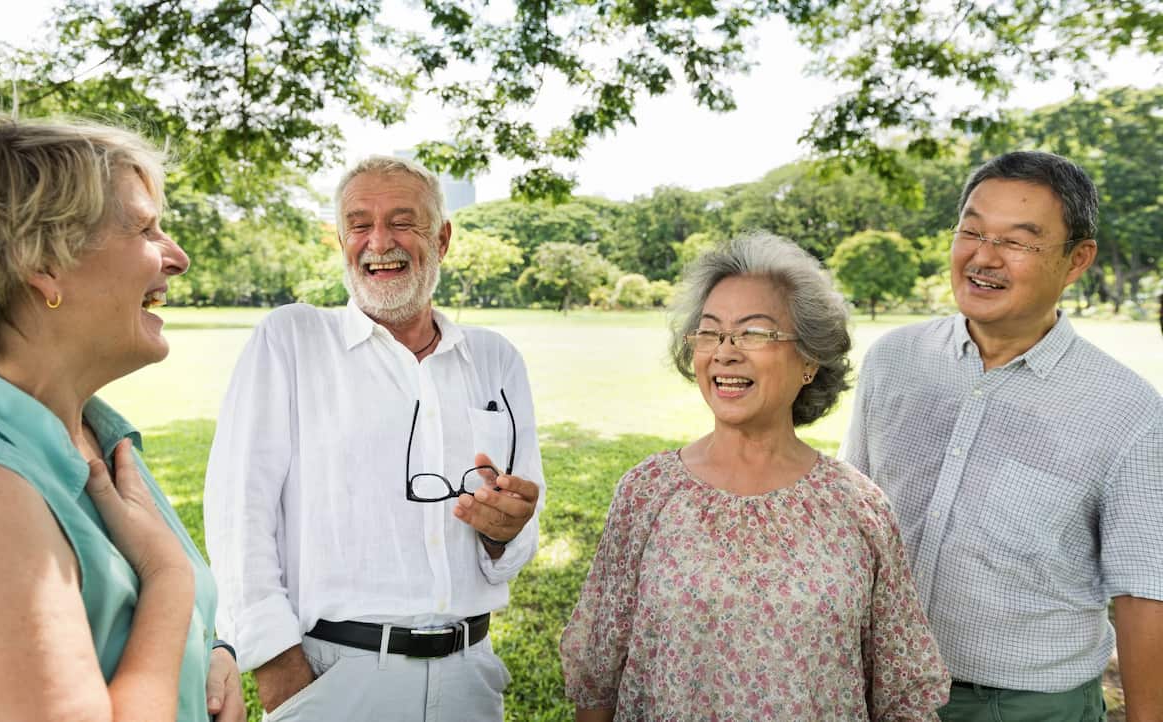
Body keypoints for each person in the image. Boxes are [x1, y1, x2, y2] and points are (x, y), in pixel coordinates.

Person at [0, 112, 242, 721]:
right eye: (145, 229)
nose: (176, 257)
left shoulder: (95, 441)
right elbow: (160, 592)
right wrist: (168, 581)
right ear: (41, 261)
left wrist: (206, 654)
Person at [203, 154, 545, 720]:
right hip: (331, 675)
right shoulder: (292, 340)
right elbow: (239, 510)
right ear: (342, 240)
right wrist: (276, 663)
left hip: (470, 677)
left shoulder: (495, 359)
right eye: (359, 224)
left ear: (443, 238)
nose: (378, 241)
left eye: (402, 222)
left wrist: (503, 535)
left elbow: (521, 528)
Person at [560, 233, 950, 721]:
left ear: (809, 359)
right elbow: (596, 679)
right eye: (710, 332)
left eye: (755, 333)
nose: (725, 352)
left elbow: (903, 694)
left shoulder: (857, 505)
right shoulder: (647, 492)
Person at [842, 150, 1163, 721]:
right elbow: (853, 520)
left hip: (1025, 706)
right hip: (877, 690)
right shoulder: (894, 360)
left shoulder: (1129, 410)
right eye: (971, 231)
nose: (983, 257)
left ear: (1077, 260)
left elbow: (1143, 591)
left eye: (1018, 241)